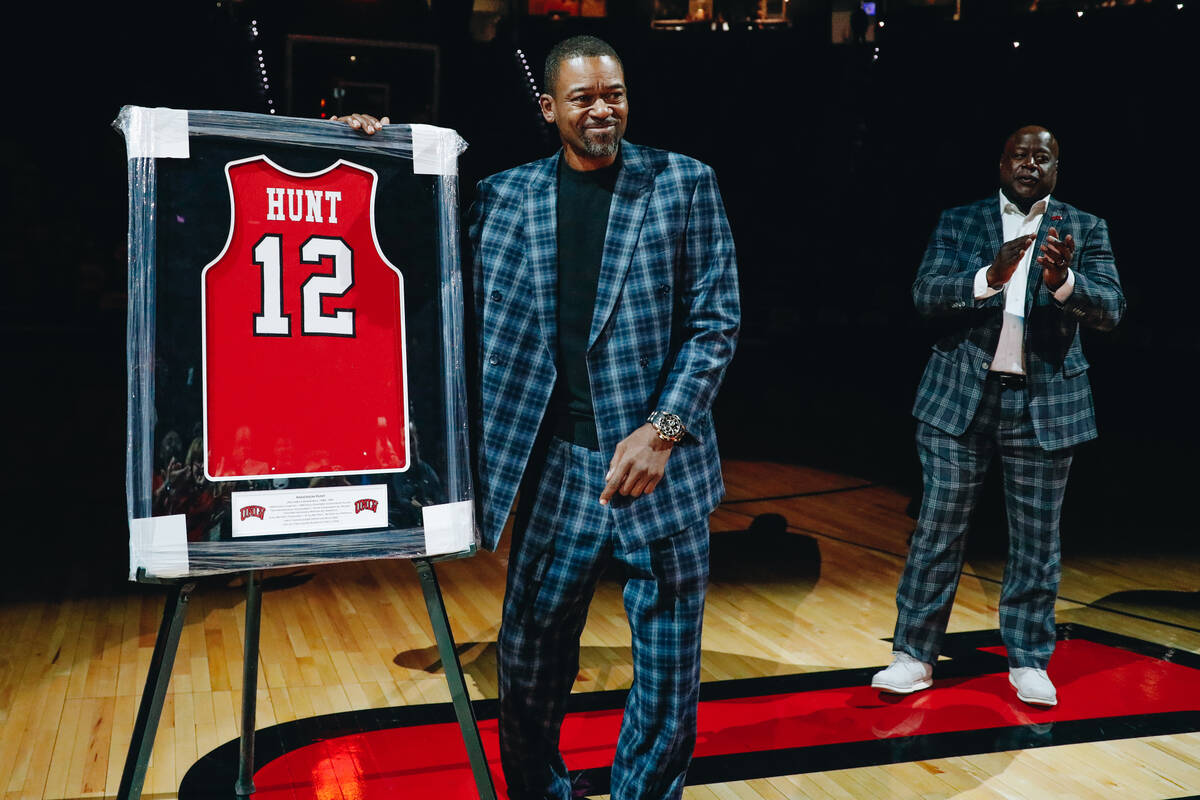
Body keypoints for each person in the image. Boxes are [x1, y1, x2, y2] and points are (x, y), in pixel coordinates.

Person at [339, 34, 739, 799]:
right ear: (548, 107)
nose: (602, 109)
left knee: (668, 673)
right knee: (527, 659)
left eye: (614, 93)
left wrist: (664, 429)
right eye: (584, 96)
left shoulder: (684, 183)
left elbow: (715, 321)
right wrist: (374, 152)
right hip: (559, 463)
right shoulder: (504, 195)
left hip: (663, 466)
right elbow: (407, 249)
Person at [871, 125, 1125, 707]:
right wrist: (989, 276)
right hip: (959, 400)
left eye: (1043, 157)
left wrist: (1064, 283)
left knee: (1037, 539)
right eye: (1020, 154)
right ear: (1001, 162)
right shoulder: (960, 221)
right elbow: (925, 294)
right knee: (939, 528)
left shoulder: (1085, 229)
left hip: (1045, 406)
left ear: (1057, 170)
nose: (1030, 163)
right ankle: (912, 653)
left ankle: (1030, 659)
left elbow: (1112, 309)